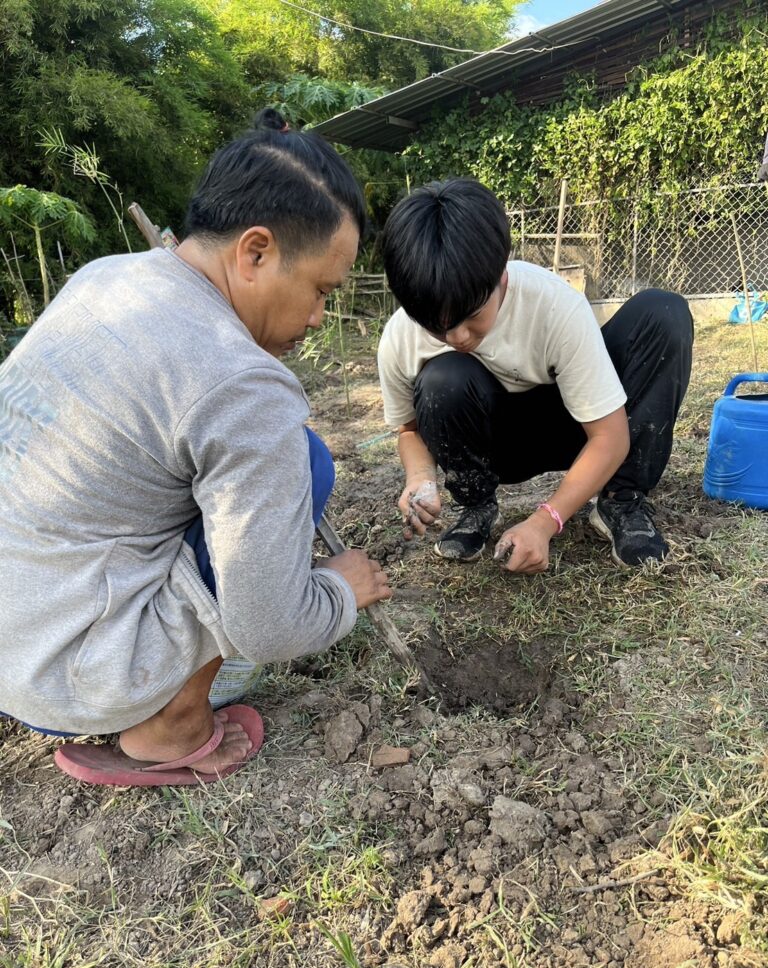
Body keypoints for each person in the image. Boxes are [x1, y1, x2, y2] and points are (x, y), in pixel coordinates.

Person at [0, 113, 391, 784]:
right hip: (67, 680)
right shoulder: (242, 383)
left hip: (20, 633)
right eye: (321, 290)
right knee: (306, 461)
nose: (322, 316)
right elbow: (269, 626)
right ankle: (168, 725)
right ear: (256, 251)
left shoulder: (106, 278)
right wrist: (340, 592)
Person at [377, 178, 694, 572]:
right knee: (443, 377)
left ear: (502, 278)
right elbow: (408, 431)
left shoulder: (554, 305)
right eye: (435, 326)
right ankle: (476, 506)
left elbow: (609, 437)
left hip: (577, 430)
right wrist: (420, 477)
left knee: (663, 313)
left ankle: (620, 500)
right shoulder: (399, 336)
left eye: (472, 316)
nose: (456, 336)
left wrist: (547, 520)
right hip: (498, 444)